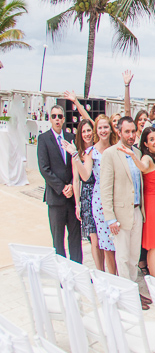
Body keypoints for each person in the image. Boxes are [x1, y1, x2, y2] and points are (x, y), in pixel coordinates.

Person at [100, 117, 150, 306]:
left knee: (133, 256)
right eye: (127, 132)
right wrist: (110, 218)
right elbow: (105, 188)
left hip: (137, 211)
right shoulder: (110, 154)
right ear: (119, 132)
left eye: (133, 131)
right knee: (121, 256)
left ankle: (133, 290)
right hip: (119, 215)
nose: (130, 135)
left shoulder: (136, 152)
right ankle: (126, 297)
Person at [37, 104, 82, 262]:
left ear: (64, 119)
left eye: (60, 116)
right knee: (58, 240)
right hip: (56, 198)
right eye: (54, 116)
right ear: (50, 118)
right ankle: (62, 274)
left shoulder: (70, 138)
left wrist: (71, 184)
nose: (57, 119)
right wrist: (62, 187)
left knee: (75, 238)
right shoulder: (43, 139)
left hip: (71, 197)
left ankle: (77, 270)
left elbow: (75, 164)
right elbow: (44, 168)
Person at [125, 127, 155, 282]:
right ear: (145, 144)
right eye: (152, 139)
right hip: (152, 205)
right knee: (153, 247)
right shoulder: (147, 158)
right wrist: (133, 157)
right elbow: (142, 166)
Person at [83, 115, 118, 273]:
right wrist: (76, 157)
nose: (103, 130)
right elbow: (85, 175)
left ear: (111, 129)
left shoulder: (116, 148)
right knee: (107, 245)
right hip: (100, 201)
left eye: (106, 127)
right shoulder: (90, 151)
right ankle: (111, 279)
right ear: (96, 130)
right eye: (100, 127)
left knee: (118, 244)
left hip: (117, 197)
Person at [69, 119, 100, 269]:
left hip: (99, 193)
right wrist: (77, 204)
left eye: (89, 130)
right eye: (84, 131)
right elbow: (76, 180)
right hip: (87, 196)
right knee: (93, 239)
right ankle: (99, 270)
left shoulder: (98, 150)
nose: (87, 134)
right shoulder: (78, 154)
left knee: (102, 238)